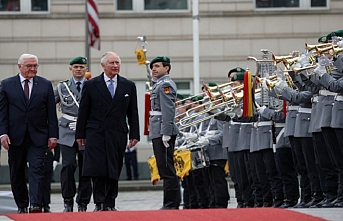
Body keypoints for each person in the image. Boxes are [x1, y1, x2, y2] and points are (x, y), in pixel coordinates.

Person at [75, 51, 140, 211]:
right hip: (96, 132)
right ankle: (99, 202)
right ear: (103, 65)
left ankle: (110, 202)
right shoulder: (91, 85)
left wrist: (135, 135)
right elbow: (83, 111)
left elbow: (133, 113)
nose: (115, 66)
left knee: (114, 167)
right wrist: (80, 134)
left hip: (117, 133)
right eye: (112, 63)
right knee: (98, 168)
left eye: (117, 63)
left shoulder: (128, 85)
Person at [0, 53, 58, 213]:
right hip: (14, 137)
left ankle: (36, 204)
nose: (33, 69)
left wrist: (53, 135)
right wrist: (3, 134)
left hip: (38, 136)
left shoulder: (45, 84)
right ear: (19, 67)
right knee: (16, 172)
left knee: (37, 169)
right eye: (29, 66)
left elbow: (51, 114)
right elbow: (2, 113)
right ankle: (22, 205)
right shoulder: (6, 85)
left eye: (35, 66)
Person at [54, 56, 92, 212]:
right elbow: (49, 105)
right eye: (75, 66)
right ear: (71, 69)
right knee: (68, 165)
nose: (78, 69)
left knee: (86, 168)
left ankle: (83, 202)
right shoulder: (63, 87)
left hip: (86, 131)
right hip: (66, 129)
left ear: (86, 69)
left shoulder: (93, 86)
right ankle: (67, 200)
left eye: (81, 67)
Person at [149, 56, 180, 209]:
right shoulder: (158, 84)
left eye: (157, 66)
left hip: (163, 130)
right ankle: (170, 202)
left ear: (166, 68)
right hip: (158, 129)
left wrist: (166, 131)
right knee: (163, 168)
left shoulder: (165, 84)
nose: (153, 69)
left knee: (167, 169)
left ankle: (171, 204)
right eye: (153, 66)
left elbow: (168, 109)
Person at [41, 145, 60, 212]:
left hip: (47, 158)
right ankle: (36, 204)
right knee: (36, 184)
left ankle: (46, 204)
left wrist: (56, 159)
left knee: (46, 185)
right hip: (35, 157)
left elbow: (57, 144)